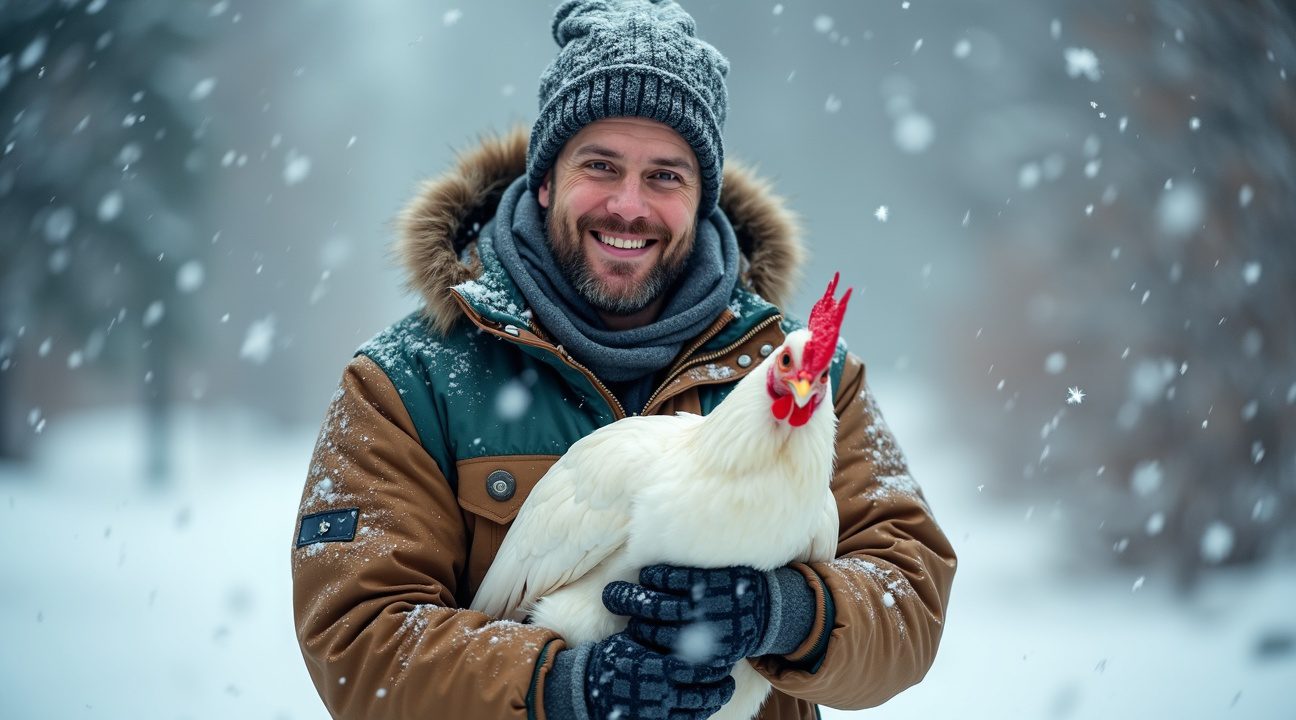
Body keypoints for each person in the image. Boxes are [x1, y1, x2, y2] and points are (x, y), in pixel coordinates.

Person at [291, 1, 956, 718]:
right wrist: (563, 687)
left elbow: (909, 598)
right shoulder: (408, 381)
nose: (629, 206)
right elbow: (359, 639)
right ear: (546, 179)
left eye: (666, 176)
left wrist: (783, 612)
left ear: (702, 200)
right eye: (600, 166)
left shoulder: (804, 376)